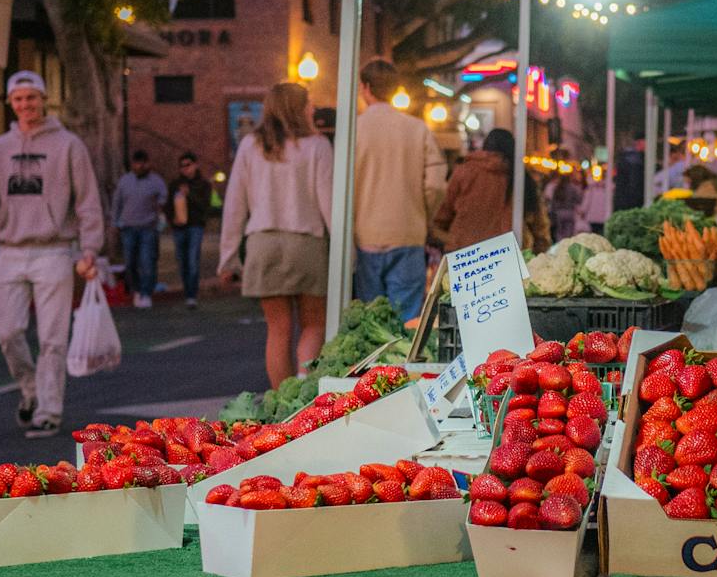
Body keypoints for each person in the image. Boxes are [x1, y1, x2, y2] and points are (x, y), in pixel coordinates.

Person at [0, 70, 103, 440]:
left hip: (54, 249)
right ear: (10, 103)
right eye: (18, 99)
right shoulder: (0, 147)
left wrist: (90, 247)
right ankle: (31, 389)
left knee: (52, 336)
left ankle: (49, 410)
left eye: (31, 98)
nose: (25, 105)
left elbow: (88, 200)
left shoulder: (68, 145)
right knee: (7, 330)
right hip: (9, 251)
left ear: (43, 99)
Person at [219, 81, 334, 388]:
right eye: (307, 103)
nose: (312, 108)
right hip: (306, 244)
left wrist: (228, 257)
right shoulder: (317, 146)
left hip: (262, 244)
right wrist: (345, 256)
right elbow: (330, 205)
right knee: (313, 325)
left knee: (278, 329)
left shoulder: (250, 146)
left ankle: (281, 403)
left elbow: (234, 204)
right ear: (297, 108)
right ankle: (305, 391)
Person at [352, 57, 445, 321]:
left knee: (373, 322)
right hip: (408, 232)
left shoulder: (353, 130)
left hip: (365, 235)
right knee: (407, 323)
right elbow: (436, 184)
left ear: (366, 87)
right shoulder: (418, 129)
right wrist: (423, 213)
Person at [431, 127, 544, 253]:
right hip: (506, 254)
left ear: (484, 146)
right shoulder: (520, 178)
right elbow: (538, 224)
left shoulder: (464, 171)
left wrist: (448, 236)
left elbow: (444, 212)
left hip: (464, 253)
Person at [112, 149, 168, 309]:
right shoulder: (125, 181)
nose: (140, 166)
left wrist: (159, 206)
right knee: (130, 262)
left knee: (147, 261)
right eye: (137, 163)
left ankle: (146, 292)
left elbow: (164, 198)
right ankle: (136, 289)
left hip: (148, 228)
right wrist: (114, 223)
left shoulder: (156, 181)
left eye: (143, 163)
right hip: (128, 228)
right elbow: (117, 202)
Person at [168, 151, 214, 308]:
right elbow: (168, 205)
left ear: (195, 165)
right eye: (182, 166)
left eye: (188, 165)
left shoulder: (203, 184)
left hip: (195, 226)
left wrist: (189, 194)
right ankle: (187, 291)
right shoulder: (175, 184)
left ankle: (192, 295)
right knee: (182, 261)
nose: (185, 169)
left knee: (193, 260)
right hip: (179, 227)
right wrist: (172, 220)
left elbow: (205, 206)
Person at [547, 154, 585, 242]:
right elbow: (579, 199)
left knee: (559, 233)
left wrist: (552, 214)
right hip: (570, 213)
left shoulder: (557, 188)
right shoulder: (573, 188)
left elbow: (553, 202)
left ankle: (559, 247)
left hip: (559, 214)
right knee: (569, 234)